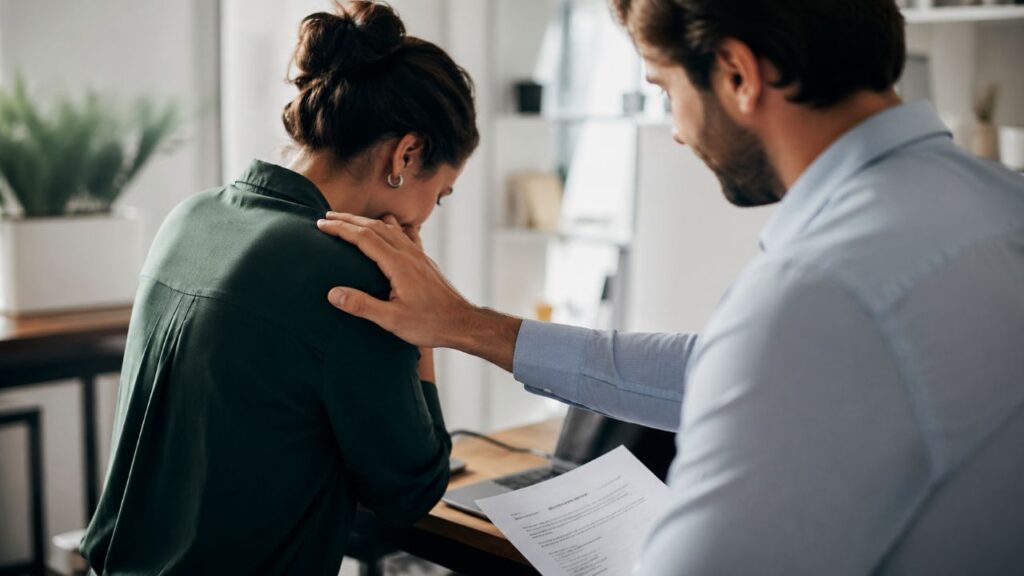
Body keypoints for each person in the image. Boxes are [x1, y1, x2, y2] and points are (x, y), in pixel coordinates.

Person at [316, 0, 1024, 573]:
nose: (678, 133)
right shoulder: (996, 203)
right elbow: (719, 371)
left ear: (738, 75)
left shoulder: (822, 292)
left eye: (664, 88)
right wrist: (466, 324)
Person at [81, 2, 478, 574]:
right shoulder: (351, 279)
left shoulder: (191, 218)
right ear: (406, 154)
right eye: (438, 195)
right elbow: (410, 492)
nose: (427, 217)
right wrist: (427, 321)